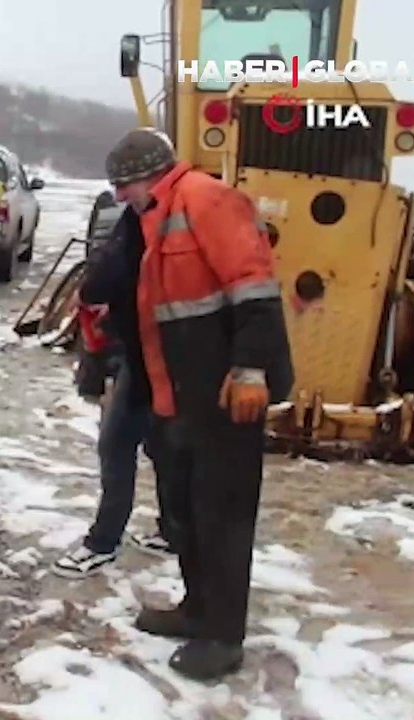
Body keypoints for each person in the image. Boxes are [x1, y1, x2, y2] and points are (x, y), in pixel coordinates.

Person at [103, 127, 293, 682]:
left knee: (222, 515)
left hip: (226, 393)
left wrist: (251, 368)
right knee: (182, 506)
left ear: (151, 176)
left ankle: (223, 636)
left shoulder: (208, 200)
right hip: (181, 395)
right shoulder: (156, 217)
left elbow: (254, 285)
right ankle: (196, 608)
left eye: (125, 187)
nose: (120, 198)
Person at [52, 205, 173, 579]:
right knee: (160, 442)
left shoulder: (146, 212)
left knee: (116, 442)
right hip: (171, 347)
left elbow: (110, 269)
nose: (119, 192)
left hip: (145, 351)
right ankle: (174, 531)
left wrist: (90, 290)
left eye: (124, 182)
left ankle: (102, 543)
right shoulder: (178, 207)